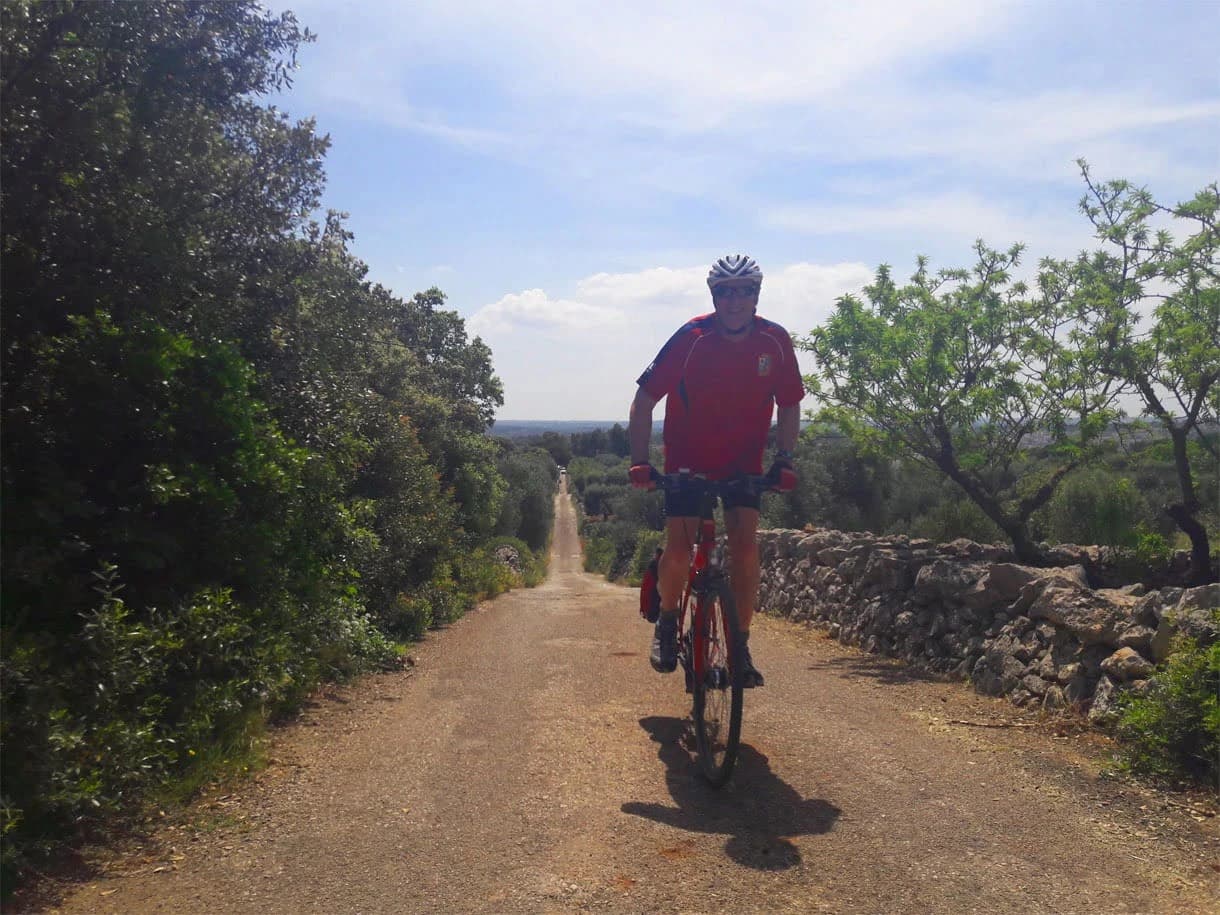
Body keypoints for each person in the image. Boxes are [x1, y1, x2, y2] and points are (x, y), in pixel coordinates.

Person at [627, 254, 803, 687]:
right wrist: (640, 462)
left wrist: (784, 458)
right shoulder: (692, 337)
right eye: (726, 291)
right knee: (680, 548)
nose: (736, 299)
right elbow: (645, 400)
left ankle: (739, 645)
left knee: (745, 549)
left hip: (744, 462)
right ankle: (668, 622)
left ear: (756, 295)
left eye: (745, 290)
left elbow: (790, 402)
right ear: (715, 296)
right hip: (688, 458)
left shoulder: (774, 340)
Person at [639, 547, 664, 623]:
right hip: (657, 602)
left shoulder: (652, 567)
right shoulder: (663, 567)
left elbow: (644, 589)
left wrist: (643, 607)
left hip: (653, 604)